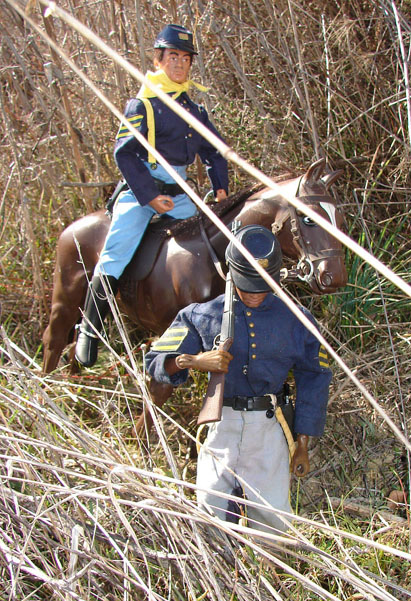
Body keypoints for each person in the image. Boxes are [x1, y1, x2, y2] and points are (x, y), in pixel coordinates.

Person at [145, 225, 332, 533]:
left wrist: (303, 441)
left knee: (273, 517)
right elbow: (154, 361)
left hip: (269, 427)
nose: (255, 295)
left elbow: (316, 375)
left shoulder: (296, 319)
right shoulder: (202, 315)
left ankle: (269, 572)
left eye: (263, 287)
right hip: (222, 424)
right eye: (248, 286)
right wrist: (194, 361)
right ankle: (219, 570)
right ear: (232, 273)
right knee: (209, 509)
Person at [75, 24, 229, 367]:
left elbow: (215, 152)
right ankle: (89, 327)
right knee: (116, 251)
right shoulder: (143, 104)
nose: (179, 64)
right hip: (143, 189)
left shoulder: (195, 110)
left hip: (183, 192)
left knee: (211, 239)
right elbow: (124, 153)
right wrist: (148, 197)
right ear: (159, 59)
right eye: (172, 56)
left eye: (185, 58)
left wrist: (220, 186)